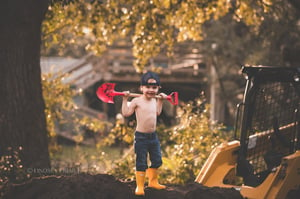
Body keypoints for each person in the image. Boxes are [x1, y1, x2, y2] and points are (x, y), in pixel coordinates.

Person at [122, 71, 167, 196]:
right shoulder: (137, 101)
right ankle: (140, 186)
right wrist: (125, 99)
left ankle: (153, 182)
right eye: (147, 87)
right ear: (141, 88)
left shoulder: (155, 100)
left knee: (157, 160)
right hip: (141, 137)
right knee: (141, 161)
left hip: (153, 137)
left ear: (158, 88)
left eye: (154, 87)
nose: (151, 90)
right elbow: (126, 113)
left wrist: (161, 101)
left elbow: (157, 112)